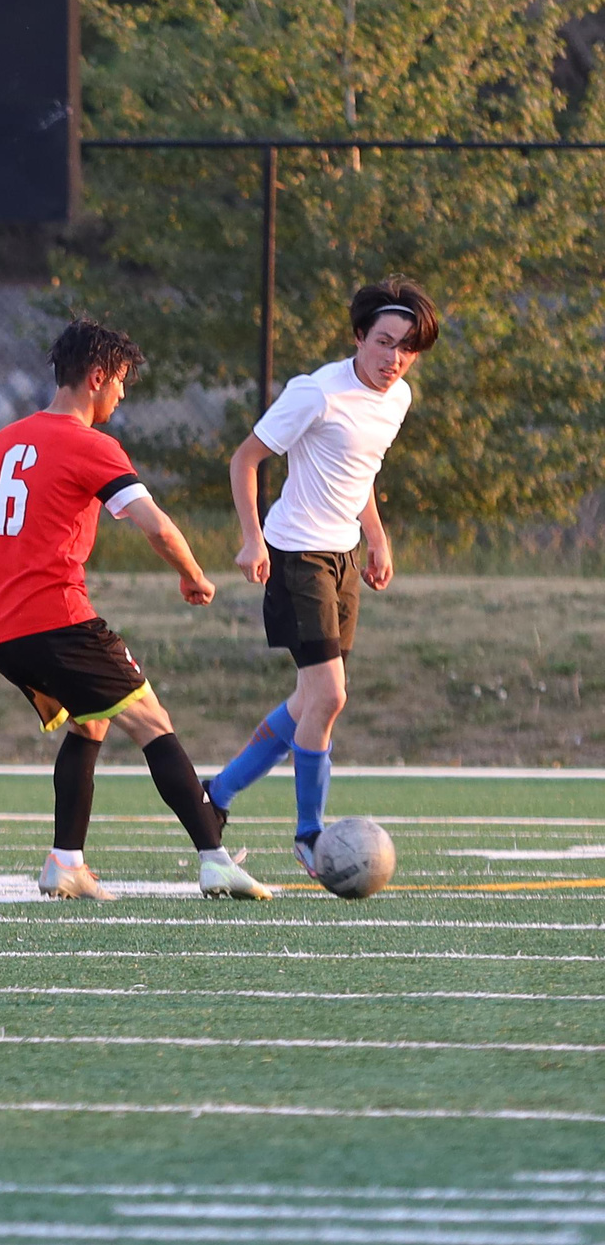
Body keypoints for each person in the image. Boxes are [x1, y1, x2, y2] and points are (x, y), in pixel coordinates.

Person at [0, 319, 270, 902]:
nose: (122, 395)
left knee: (91, 722)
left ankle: (66, 861)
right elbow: (155, 525)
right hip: (59, 622)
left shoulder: (0, 443)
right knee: (152, 723)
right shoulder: (90, 445)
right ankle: (215, 858)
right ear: (96, 376)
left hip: (6, 635)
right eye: (121, 381)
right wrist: (194, 575)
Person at [207, 278, 439, 874]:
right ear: (359, 337)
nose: (394, 358)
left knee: (311, 699)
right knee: (331, 695)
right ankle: (309, 834)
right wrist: (251, 537)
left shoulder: (399, 397)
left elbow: (358, 474)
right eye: (384, 342)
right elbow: (245, 459)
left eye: (407, 347)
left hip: (342, 561)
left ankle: (218, 795)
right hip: (296, 556)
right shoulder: (315, 394)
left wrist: (378, 538)